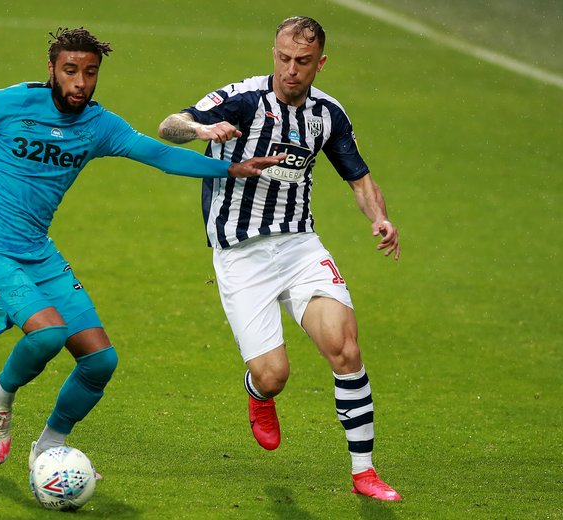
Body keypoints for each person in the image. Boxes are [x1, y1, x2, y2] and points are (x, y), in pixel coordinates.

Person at [0, 27, 282, 472]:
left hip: (38, 253)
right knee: (47, 335)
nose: (80, 82)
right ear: (51, 69)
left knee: (100, 361)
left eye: (90, 72)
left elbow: (158, 155)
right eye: (70, 71)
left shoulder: (99, 125)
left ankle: (50, 445)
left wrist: (230, 170)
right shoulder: (10, 103)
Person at [157, 16, 402, 501]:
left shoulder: (327, 114)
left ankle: (364, 472)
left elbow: (359, 178)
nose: (291, 70)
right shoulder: (242, 99)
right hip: (241, 254)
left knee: (346, 349)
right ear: (274, 53)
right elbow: (169, 125)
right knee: (274, 376)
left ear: (320, 64)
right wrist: (203, 127)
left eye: (303, 62)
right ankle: (258, 392)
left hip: (299, 247)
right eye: (284, 58)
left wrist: (380, 218)